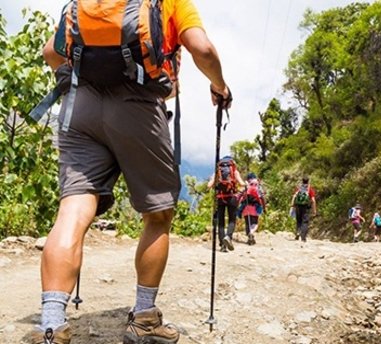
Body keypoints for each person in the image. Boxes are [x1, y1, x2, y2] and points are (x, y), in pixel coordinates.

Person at [32, 1, 231, 343]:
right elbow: (203, 49)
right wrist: (219, 86)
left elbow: (51, 52)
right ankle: (143, 319)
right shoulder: (169, 2)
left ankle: (51, 324)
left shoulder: (88, 2)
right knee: (157, 213)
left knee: (73, 210)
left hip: (79, 108)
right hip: (138, 107)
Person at [208, 156, 245, 253]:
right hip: (232, 197)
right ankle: (228, 236)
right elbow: (241, 184)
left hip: (220, 198)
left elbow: (209, 185)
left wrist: (215, 181)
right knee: (232, 220)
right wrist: (245, 184)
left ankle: (222, 245)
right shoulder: (234, 171)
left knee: (221, 222)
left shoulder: (218, 171)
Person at [239, 172, 266, 245]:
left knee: (247, 223)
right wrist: (264, 207)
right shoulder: (258, 186)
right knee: (255, 223)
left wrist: (238, 206)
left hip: (246, 207)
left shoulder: (246, 186)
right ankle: (252, 232)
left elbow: (239, 195)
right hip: (255, 207)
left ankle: (249, 237)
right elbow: (262, 198)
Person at [290, 177, 317, 242]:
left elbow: (294, 196)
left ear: (302, 181)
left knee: (298, 220)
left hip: (298, 206)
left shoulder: (299, 188)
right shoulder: (309, 189)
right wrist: (314, 210)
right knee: (305, 221)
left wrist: (292, 205)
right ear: (308, 181)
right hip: (305, 207)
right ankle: (303, 238)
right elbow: (313, 200)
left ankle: (298, 232)